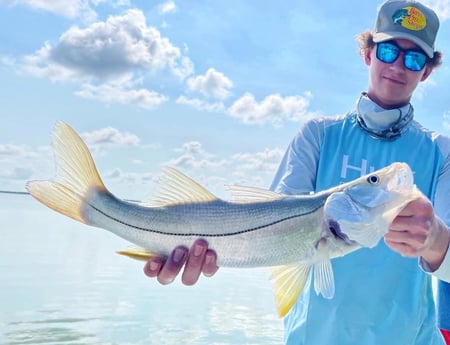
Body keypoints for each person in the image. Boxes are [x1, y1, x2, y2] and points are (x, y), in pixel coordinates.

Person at [144, 1, 450, 344]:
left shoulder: (441, 152)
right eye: (389, 50)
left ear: (425, 71)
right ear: (367, 53)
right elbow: (271, 230)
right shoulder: (318, 134)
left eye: (413, 58)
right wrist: (195, 243)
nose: (398, 65)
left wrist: (437, 239)